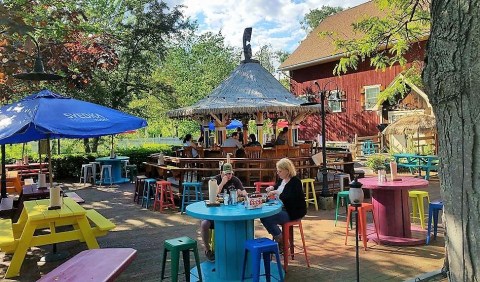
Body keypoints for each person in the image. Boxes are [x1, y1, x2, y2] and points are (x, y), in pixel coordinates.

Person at [200, 163, 246, 261]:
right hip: (216, 212)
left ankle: (236, 252)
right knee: (204, 224)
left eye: (230, 173)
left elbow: (243, 191)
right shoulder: (214, 180)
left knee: (241, 222)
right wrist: (222, 183)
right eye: (226, 174)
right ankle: (208, 250)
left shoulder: (235, 180)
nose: (229, 176)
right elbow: (213, 194)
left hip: (231, 213)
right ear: (221, 173)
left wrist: (242, 193)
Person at [260, 158, 307, 250]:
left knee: (267, 218)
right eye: (277, 171)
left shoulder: (295, 182)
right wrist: (272, 188)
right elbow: (277, 186)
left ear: (287, 170)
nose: (278, 173)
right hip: (282, 209)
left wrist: (276, 192)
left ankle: (282, 242)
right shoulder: (282, 180)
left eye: (280, 171)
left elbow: (289, 198)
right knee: (264, 216)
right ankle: (281, 239)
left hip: (292, 212)